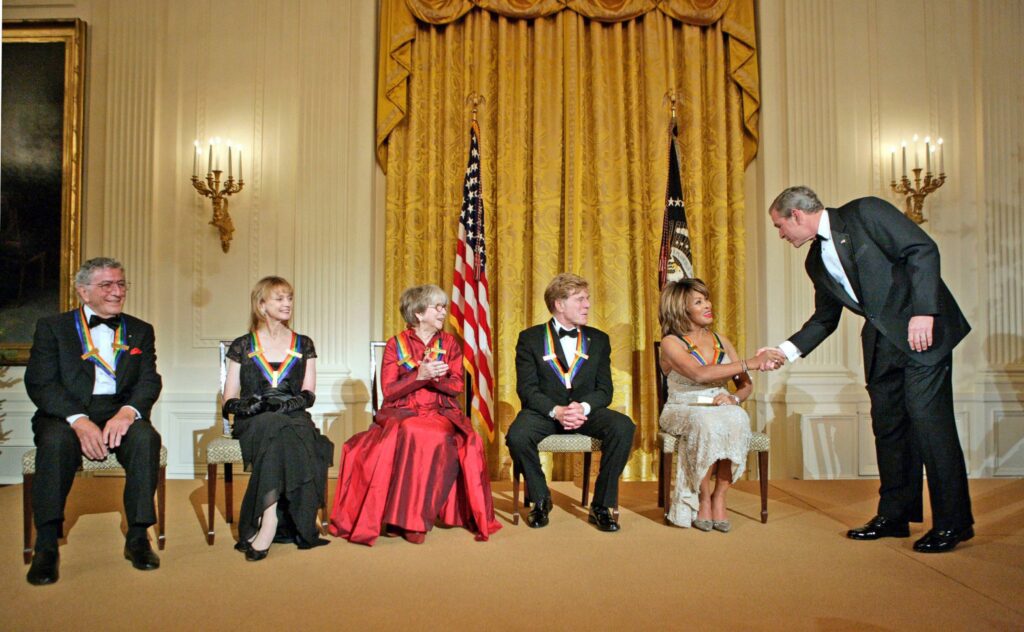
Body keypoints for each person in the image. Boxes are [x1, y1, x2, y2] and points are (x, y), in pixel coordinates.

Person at [766, 186, 973, 553]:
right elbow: (824, 319)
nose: (782, 235)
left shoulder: (865, 212)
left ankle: (953, 524)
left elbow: (921, 249)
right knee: (890, 430)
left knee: (930, 427)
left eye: (781, 226)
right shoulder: (815, 261)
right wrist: (785, 351)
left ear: (796, 215)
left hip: (921, 335)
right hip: (881, 345)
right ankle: (894, 516)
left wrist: (924, 313)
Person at [24, 257, 163, 585]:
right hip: (65, 413)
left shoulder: (140, 330)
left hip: (118, 410)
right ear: (84, 292)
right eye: (107, 285)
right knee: (55, 442)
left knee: (146, 438)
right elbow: (41, 383)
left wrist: (129, 412)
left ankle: (138, 537)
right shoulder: (53, 327)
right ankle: (46, 545)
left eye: (121, 284)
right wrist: (78, 419)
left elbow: (148, 381)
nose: (117, 292)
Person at [329, 284, 500, 545]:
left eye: (444, 306)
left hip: (440, 410)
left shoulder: (450, 343)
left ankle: (413, 519)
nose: (444, 312)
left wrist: (434, 380)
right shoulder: (395, 345)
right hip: (401, 410)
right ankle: (403, 519)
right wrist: (419, 377)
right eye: (438, 307)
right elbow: (389, 391)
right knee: (410, 430)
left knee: (431, 434)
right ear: (419, 313)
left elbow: (456, 387)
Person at [506, 273, 635, 532]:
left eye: (587, 299)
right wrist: (557, 411)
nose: (587, 304)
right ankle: (541, 499)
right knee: (517, 435)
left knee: (624, 427)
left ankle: (601, 505)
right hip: (544, 412)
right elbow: (527, 390)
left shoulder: (599, 339)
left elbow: (604, 390)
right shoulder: (529, 338)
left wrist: (583, 408)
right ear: (559, 304)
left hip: (585, 412)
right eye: (580, 299)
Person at [222, 276, 334, 561]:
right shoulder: (242, 346)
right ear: (261, 305)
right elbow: (230, 399)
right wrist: (256, 405)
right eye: (279, 299)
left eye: (290, 298)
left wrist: (287, 405)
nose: (287, 304)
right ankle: (271, 520)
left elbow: (309, 394)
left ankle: (266, 519)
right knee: (274, 425)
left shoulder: (304, 344)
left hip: (293, 417)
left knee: (283, 427)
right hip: (254, 419)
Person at [658, 279, 773, 531]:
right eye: (699, 302)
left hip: (720, 406)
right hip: (682, 406)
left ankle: (719, 495)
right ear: (681, 309)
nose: (708, 305)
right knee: (706, 421)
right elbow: (698, 374)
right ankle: (702, 496)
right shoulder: (671, 343)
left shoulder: (721, 339)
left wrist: (734, 399)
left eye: (706, 299)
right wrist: (751, 362)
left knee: (738, 417)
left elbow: (745, 385)